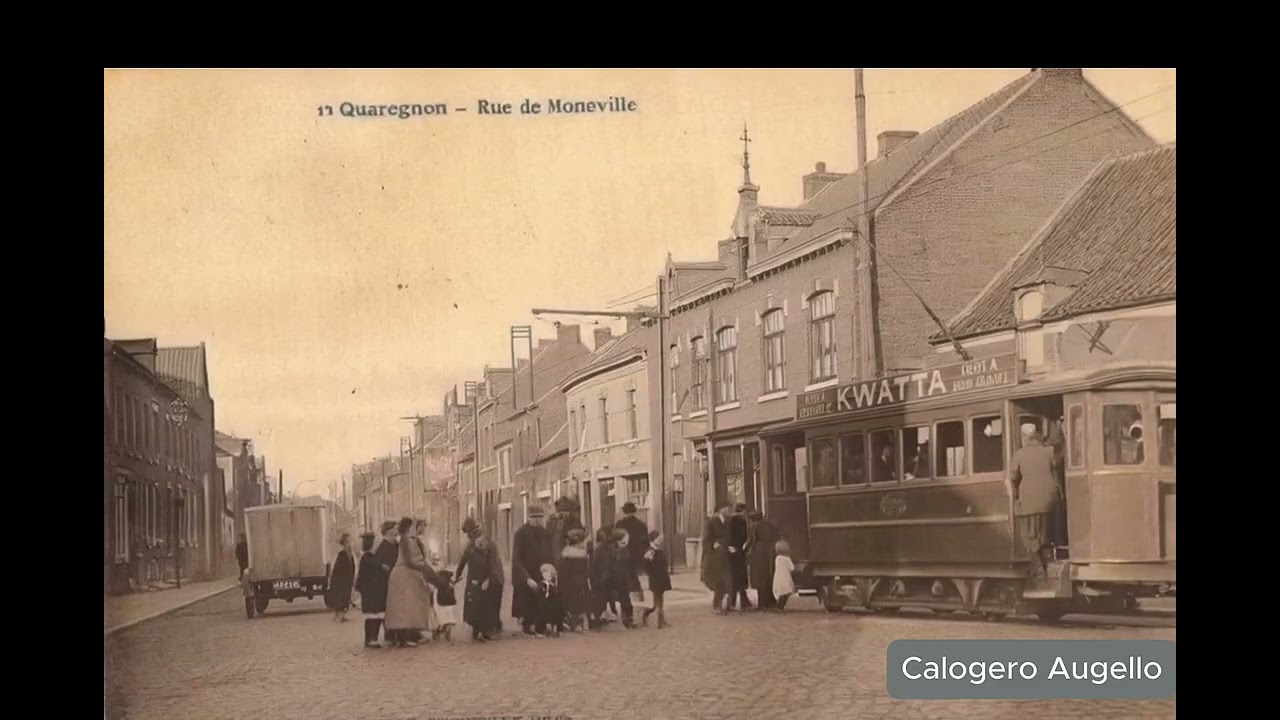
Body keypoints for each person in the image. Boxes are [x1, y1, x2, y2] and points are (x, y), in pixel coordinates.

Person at [385, 517, 448, 647]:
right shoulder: (404, 539)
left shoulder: (408, 539)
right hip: (404, 576)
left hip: (409, 575)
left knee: (412, 604)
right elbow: (408, 561)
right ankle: (404, 636)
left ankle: (412, 633)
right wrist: (422, 566)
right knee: (405, 606)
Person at [1010, 429, 1061, 577]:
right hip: (1049, 501)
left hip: (1029, 502)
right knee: (1044, 536)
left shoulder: (1020, 454)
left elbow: (1012, 477)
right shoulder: (1048, 452)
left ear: (1026, 438)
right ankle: (1049, 566)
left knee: (1029, 537)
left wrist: (1014, 497)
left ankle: (1038, 570)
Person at [455, 517, 502, 642]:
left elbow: (492, 563)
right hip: (475, 577)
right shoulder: (472, 545)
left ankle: (484, 629)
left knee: (481, 603)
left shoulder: (484, 544)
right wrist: (457, 575)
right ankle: (480, 629)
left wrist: (491, 578)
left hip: (484, 576)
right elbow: (463, 561)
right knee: (478, 604)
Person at [511, 505, 553, 637]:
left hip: (542, 572)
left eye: (540, 517)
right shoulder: (521, 533)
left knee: (543, 597)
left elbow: (550, 553)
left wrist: (550, 570)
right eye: (534, 518)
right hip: (527, 573)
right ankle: (527, 624)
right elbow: (516, 558)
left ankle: (540, 625)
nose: (537, 521)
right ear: (528, 518)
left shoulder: (545, 533)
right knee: (527, 601)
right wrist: (526, 578)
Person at [356, 529, 392, 649]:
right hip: (372, 593)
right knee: (372, 617)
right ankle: (370, 639)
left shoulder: (371, 557)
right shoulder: (367, 558)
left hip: (376, 592)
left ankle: (373, 638)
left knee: (377, 616)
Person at [615, 502, 650, 603]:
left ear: (624, 512)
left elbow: (616, 540)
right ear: (635, 512)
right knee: (633, 576)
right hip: (637, 555)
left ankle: (628, 598)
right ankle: (638, 597)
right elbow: (645, 542)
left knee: (625, 577)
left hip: (623, 554)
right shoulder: (642, 525)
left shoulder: (620, 524)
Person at [700, 506, 732, 614]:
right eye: (727, 508)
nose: (729, 510)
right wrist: (713, 544)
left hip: (724, 555)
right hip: (714, 557)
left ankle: (722, 604)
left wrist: (728, 546)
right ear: (720, 510)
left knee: (726, 581)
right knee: (718, 581)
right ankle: (718, 605)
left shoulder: (728, 521)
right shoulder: (711, 522)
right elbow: (706, 539)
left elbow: (729, 537)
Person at [557, 529, 590, 632]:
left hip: (568, 585)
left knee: (571, 605)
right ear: (579, 542)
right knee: (579, 605)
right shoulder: (582, 556)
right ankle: (578, 624)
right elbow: (586, 572)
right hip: (579, 584)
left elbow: (562, 572)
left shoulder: (565, 554)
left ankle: (572, 622)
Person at [745, 511, 779, 611]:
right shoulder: (770, 525)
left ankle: (762, 604)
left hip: (759, 553)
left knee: (759, 578)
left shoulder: (754, 527)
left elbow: (752, 540)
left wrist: (745, 548)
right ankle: (770, 602)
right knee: (768, 576)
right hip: (770, 551)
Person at [608, 529, 638, 629]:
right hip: (616, 580)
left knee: (626, 602)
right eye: (626, 538)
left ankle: (628, 620)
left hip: (623, 579)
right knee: (619, 600)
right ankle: (622, 620)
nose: (628, 540)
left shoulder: (625, 550)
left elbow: (630, 566)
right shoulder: (614, 551)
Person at [641, 530, 671, 629]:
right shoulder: (650, 551)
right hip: (655, 578)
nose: (661, 540)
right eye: (659, 538)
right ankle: (659, 621)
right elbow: (646, 566)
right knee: (658, 601)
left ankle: (659, 619)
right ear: (654, 539)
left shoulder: (658, 550)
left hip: (662, 577)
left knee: (659, 601)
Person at [726, 503, 752, 611]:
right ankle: (742, 600)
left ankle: (734, 601)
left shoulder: (729, 522)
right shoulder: (741, 522)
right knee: (739, 576)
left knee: (735, 576)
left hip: (732, 551)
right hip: (738, 551)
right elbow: (744, 536)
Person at [325, 532, 356, 622]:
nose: (351, 542)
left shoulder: (348, 553)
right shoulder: (342, 554)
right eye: (350, 540)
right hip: (341, 581)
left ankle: (340, 616)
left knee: (344, 598)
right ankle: (339, 616)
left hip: (346, 581)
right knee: (341, 598)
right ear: (346, 542)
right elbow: (339, 570)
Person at [536, 563, 564, 638]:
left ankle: (557, 628)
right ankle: (540, 630)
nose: (547, 575)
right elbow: (539, 594)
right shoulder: (541, 585)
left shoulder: (553, 586)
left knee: (557, 610)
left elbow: (556, 595)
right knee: (541, 614)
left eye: (549, 574)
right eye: (545, 573)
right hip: (543, 604)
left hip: (552, 604)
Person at [432, 570, 458, 643]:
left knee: (438, 616)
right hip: (447, 603)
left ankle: (438, 629)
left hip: (439, 603)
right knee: (448, 615)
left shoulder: (437, 587)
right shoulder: (449, 585)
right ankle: (446, 628)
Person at [773, 540, 796, 612]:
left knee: (781, 593)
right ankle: (780, 607)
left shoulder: (777, 559)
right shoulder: (787, 559)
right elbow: (792, 568)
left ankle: (779, 606)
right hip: (786, 578)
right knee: (787, 592)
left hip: (778, 578)